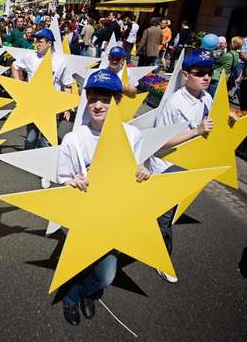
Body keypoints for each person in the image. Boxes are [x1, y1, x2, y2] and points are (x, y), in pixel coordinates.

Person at [57, 68, 151, 326]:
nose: (98, 105)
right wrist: (71, 181)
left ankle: (88, 293)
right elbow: (61, 177)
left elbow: (137, 172)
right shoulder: (73, 139)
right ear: (86, 100)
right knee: (78, 261)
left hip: (113, 217)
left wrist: (143, 172)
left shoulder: (132, 136)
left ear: (118, 100)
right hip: (80, 215)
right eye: (93, 98)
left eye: (106, 99)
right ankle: (71, 298)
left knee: (106, 275)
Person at [148, 49, 216, 283]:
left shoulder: (206, 97)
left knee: (164, 213)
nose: (206, 77)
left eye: (210, 72)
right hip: (165, 167)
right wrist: (196, 131)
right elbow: (162, 143)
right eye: (200, 73)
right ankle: (161, 259)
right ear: (186, 75)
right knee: (164, 218)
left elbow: (210, 123)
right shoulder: (174, 104)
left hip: (186, 165)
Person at [11, 28, 73, 187]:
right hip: (32, 105)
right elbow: (14, 66)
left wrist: (66, 108)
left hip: (52, 108)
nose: (36, 43)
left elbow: (67, 85)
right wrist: (20, 88)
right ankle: (29, 160)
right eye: (35, 40)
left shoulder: (60, 61)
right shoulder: (30, 56)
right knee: (31, 138)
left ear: (49, 43)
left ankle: (44, 171)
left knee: (46, 140)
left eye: (40, 41)